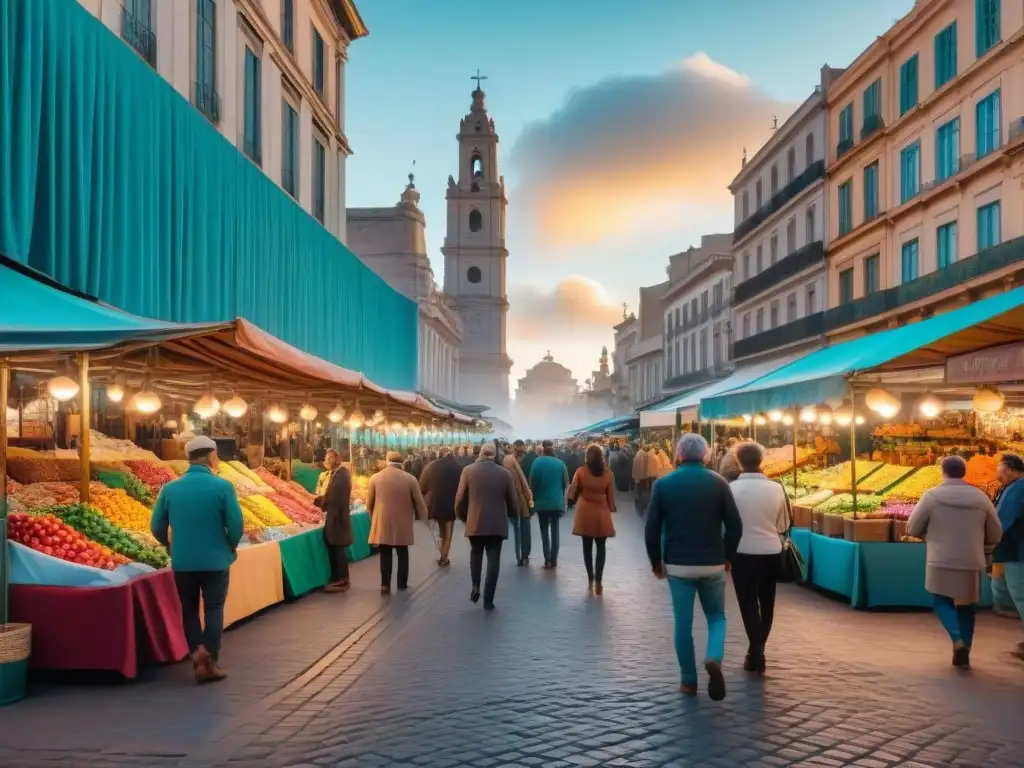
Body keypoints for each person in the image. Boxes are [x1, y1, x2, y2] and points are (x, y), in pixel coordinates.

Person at [645, 433, 742, 701]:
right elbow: (735, 525)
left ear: (678, 455)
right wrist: (728, 556)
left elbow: (652, 527)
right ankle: (713, 657)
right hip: (712, 563)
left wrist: (656, 561)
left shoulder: (664, 485)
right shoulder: (719, 483)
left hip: (678, 565)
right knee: (717, 617)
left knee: (683, 623)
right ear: (706, 455)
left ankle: (688, 680)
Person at [151, 436, 243, 684]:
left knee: (189, 610)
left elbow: (156, 526)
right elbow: (236, 526)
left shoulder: (170, 489)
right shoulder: (223, 487)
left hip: (183, 561)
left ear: (188, 458)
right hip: (216, 560)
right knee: (214, 608)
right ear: (213, 456)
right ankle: (210, 659)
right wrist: (230, 545)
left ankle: (197, 652)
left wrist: (168, 544)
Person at [909, 455, 1002, 667]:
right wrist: (984, 549)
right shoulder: (981, 498)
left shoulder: (932, 496)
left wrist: (930, 536)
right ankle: (965, 649)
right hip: (971, 560)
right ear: (964, 472)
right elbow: (996, 532)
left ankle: (957, 638)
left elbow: (913, 528)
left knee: (941, 601)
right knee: (968, 606)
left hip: (940, 559)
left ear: (943, 472)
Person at [729, 443, 790, 675]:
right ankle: (757, 652)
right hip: (771, 551)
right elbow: (783, 524)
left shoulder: (731, 489)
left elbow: (728, 524)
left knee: (747, 604)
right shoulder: (776, 488)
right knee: (767, 602)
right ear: (761, 461)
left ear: (738, 462)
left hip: (742, 552)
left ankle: (756, 652)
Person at [456, 442, 519, 610]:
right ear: (495, 455)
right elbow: (513, 501)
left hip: (475, 522)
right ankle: (488, 599)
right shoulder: (505, 474)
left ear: (481, 454)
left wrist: (463, 516)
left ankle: (475, 585)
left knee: (475, 553)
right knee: (493, 560)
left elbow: (460, 497)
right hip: (496, 524)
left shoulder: (468, 471)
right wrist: (513, 515)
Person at [367, 451, 429, 594]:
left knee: (385, 553)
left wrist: (373, 518)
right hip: (403, 522)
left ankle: (385, 585)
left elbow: (369, 503)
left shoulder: (375, 478)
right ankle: (402, 583)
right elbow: (420, 503)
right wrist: (426, 520)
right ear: (402, 462)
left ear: (387, 460)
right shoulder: (410, 479)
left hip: (383, 521)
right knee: (402, 553)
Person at [569, 444, 617, 594]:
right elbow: (611, 498)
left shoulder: (581, 471)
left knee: (587, 548)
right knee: (601, 548)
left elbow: (573, 490)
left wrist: (571, 498)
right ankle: (599, 581)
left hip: (585, 513)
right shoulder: (608, 474)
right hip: (601, 513)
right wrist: (612, 507)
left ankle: (590, 579)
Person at [993, 453, 1024, 659]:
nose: (999, 475)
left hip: (1017, 551)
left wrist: (988, 541)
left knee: (1021, 594)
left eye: (1001, 471)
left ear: (1010, 469)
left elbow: (1002, 520)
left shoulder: (1016, 489)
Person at [315, 448, 354, 593]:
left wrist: (320, 502)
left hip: (337, 518)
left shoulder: (342, 475)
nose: (327, 460)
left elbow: (335, 498)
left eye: (329, 457)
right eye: (326, 457)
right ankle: (337, 578)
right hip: (335, 517)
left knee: (338, 548)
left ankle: (342, 579)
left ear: (336, 458)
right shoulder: (336, 474)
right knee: (333, 546)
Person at [418, 446, 463, 566]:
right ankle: (444, 556)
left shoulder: (431, 466)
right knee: (448, 532)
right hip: (450, 504)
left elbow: (421, 485)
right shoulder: (458, 468)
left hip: (435, 503)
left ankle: (440, 551)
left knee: (437, 531)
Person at [529, 440, 570, 569]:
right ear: (554, 453)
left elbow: (532, 482)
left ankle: (546, 559)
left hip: (541, 503)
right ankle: (554, 559)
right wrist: (564, 501)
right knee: (555, 530)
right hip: (556, 503)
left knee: (544, 531)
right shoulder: (561, 464)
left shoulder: (536, 462)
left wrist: (534, 498)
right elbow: (566, 484)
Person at [504, 440, 535, 566]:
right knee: (524, 529)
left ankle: (519, 556)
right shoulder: (516, 465)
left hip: (512, 503)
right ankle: (524, 555)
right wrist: (530, 499)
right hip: (522, 502)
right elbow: (525, 484)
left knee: (517, 530)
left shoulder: (505, 467)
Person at [632, 443, 651, 514]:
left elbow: (635, 467)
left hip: (638, 477)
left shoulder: (638, 454)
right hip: (643, 477)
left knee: (639, 491)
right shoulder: (645, 455)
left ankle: (640, 506)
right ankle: (642, 506)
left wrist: (635, 477)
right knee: (643, 491)